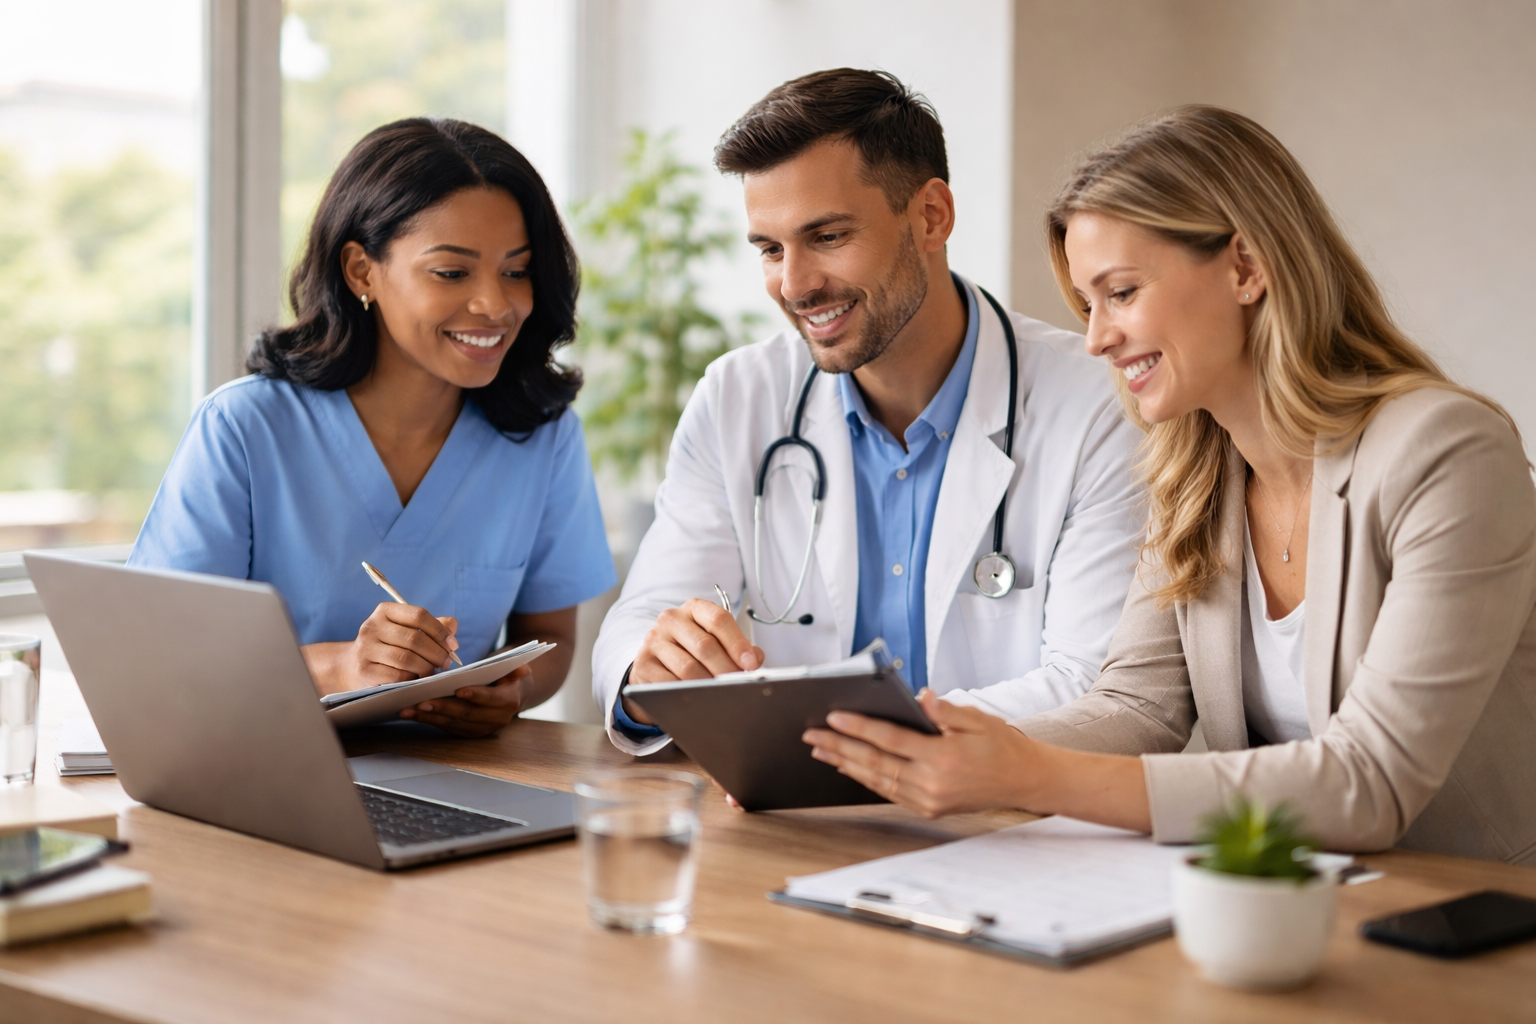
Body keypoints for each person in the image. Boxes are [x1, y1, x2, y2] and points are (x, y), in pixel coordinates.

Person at [805, 105, 1536, 863]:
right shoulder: (1198, 475)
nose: (1096, 339)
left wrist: (1034, 774)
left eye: (1121, 293)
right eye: (1087, 307)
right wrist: (910, 751)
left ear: (1247, 267)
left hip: (1476, 931)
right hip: (1289, 910)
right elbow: (1134, 707)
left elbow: (1370, 783)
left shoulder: (1446, 455)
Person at [593, 69, 1146, 756]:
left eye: (826, 236)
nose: (793, 285)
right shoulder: (737, 397)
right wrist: (651, 673)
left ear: (931, 217)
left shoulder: (1098, 403)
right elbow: (641, 621)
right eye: (770, 249)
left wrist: (844, 742)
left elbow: (1094, 688)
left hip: (1008, 829)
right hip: (794, 822)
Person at [130, 118, 616, 737]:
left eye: (516, 271)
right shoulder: (244, 429)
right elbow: (166, 656)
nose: (496, 305)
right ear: (362, 271)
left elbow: (549, 639)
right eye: (452, 272)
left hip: (460, 783)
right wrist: (342, 667)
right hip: (262, 772)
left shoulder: (544, 437)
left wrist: (510, 691)